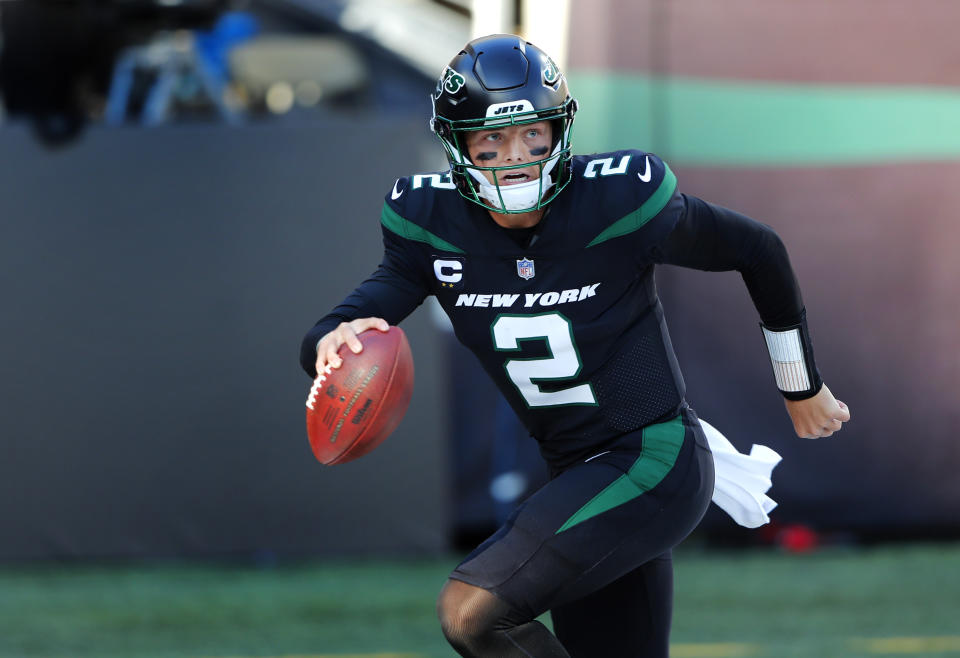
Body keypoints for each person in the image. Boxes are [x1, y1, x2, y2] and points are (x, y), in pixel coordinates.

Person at [300, 34, 850, 658]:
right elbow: (341, 328)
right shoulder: (429, 222)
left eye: (532, 133)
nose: (516, 155)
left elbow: (757, 248)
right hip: (575, 471)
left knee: (473, 612)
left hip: (652, 458)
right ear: (457, 145)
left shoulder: (618, 199)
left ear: (559, 129)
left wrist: (799, 381)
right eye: (491, 139)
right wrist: (331, 343)